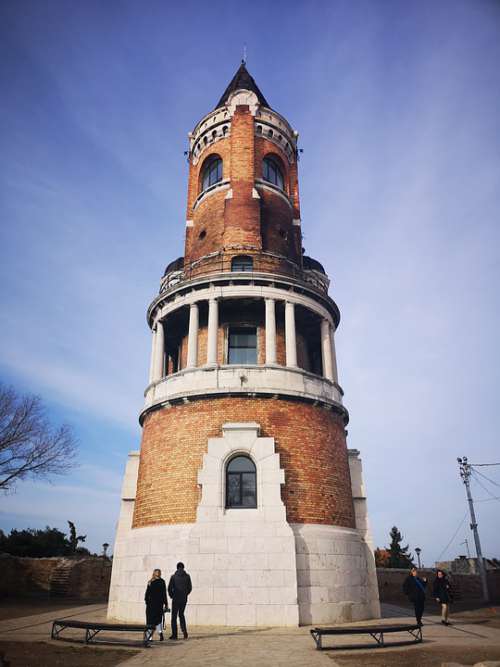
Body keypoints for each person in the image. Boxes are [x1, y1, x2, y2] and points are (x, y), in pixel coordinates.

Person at [168, 561, 192, 640]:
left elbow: (169, 588)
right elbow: (190, 588)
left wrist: (172, 595)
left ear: (177, 567)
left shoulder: (173, 577)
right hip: (183, 599)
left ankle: (175, 635)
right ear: (183, 567)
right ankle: (184, 632)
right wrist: (185, 594)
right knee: (181, 615)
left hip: (175, 599)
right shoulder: (187, 576)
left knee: (174, 617)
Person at [145, 568, 169, 641]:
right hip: (158, 604)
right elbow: (164, 594)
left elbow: (146, 594)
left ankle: (150, 637)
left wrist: (147, 602)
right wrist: (166, 603)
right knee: (158, 620)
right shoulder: (162, 582)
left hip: (151, 605)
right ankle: (160, 634)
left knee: (150, 621)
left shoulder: (150, 582)